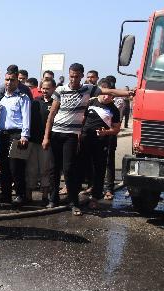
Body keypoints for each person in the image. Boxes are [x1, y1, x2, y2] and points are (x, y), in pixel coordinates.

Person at [42, 63, 132, 214]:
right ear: (68, 75)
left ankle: (73, 202)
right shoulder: (60, 90)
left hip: (71, 136)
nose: (74, 79)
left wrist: (129, 93)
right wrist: (46, 137)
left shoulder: (88, 89)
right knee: (53, 169)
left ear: (82, 76)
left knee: (69, 169)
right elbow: (51, 115)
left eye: (77, 76)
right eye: (71, 76)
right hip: (56, 133)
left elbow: (109, 91)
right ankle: (53, 199)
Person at [0, 69, 32, 205]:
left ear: (17, 81)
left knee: (16, 168)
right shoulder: (2, 99)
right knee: (4, 167)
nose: (9, 82)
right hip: (3, 135)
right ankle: (5, 194)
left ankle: (21, 195)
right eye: (7, 79)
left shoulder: (23, 97)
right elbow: (0, 121)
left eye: (12, 80)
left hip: (17, 135)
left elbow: (26, 118)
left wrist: (25, 135)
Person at [82, 79, 122, 211]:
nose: (106, 97)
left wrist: (106, 132)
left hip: (102, 143)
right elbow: (82, 119)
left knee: (100, 170)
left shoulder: (114, 110)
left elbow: (116, 129)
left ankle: (95, 197)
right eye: (104, 94)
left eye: (109, 95)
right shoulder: (90, 102)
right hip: (85, 141)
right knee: (83, 167)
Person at [27, 78, 55, 203]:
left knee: (45, 169)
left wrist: (47, 138)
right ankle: (28, 196)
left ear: (53, 89)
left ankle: (45, 196)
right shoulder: (34, 102)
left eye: (47, 88)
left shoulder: (55, 103)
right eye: (43, 88)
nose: (44, 91)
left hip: (47, 143)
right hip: (32, 141)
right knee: (31, 169)